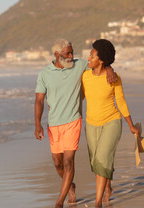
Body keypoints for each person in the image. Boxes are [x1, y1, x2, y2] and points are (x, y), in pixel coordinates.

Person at [34, 39, 117, 208]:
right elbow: (39, 101)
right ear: (57, 54)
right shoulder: (44, 73)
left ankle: (59, 201)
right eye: (68, 53)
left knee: (68, 162)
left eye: (72, 52)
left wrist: (109, 69)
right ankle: (70, 185)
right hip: (53, 124)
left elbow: (100, 62)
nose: (72, 56)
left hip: (73, 120)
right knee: (58, 163)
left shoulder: (79, 65)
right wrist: (37, 124)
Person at [81, 39, 139, 207]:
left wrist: (130, 124)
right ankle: (108, 187)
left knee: (102, 157)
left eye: (92, 56)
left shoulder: (114, 77)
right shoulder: (85, 76)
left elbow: (120, 101)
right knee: (95, 162)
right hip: (91, 123)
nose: (88, 58)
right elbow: (79, 98)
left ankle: (98, 202)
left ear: (101, 60)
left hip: (112, 121)